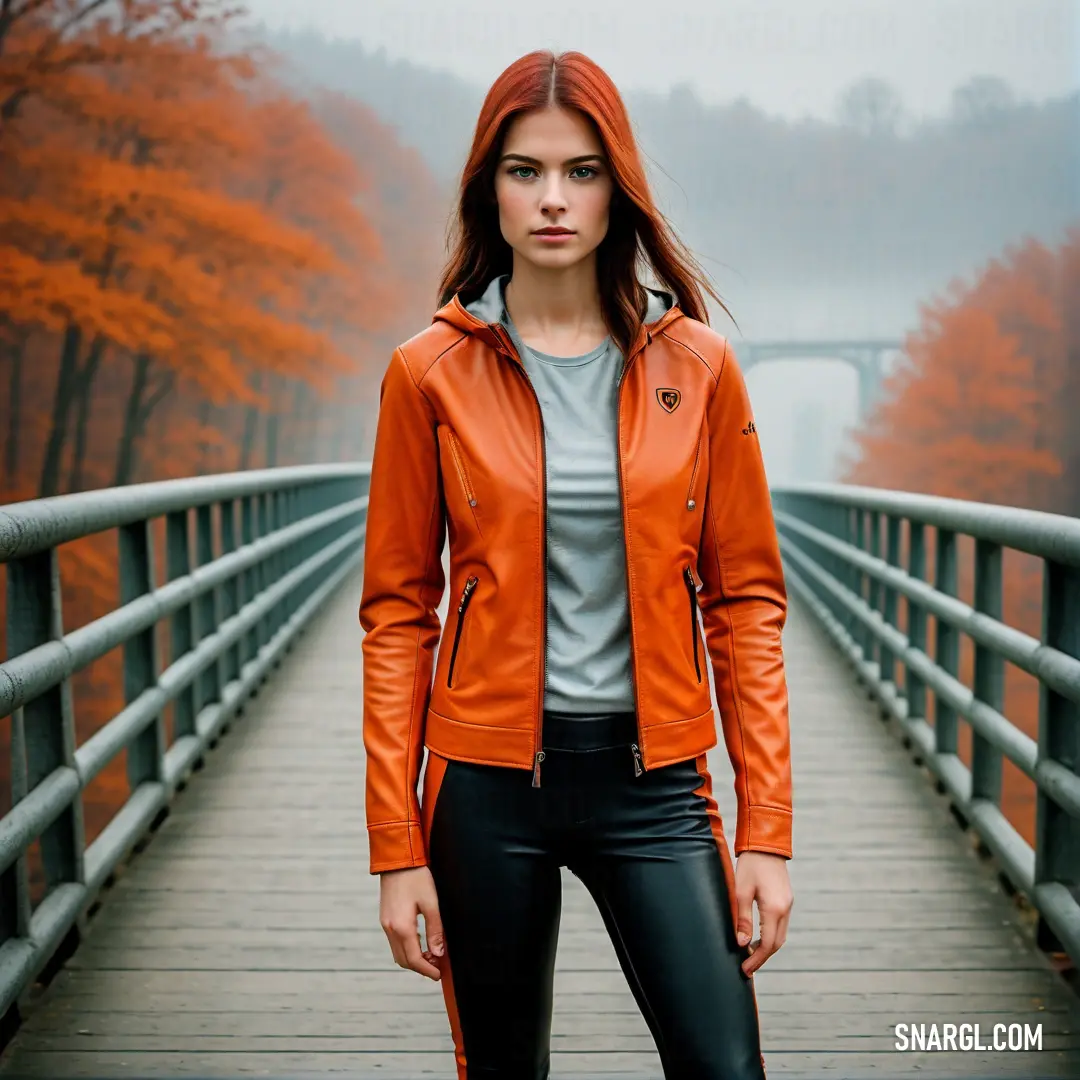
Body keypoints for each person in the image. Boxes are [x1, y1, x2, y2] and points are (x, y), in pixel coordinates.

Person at [359, 48, 794, 1080]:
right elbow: (397, 614)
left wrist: (767, 828)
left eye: (581, 171)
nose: (553, 198)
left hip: (656, 785)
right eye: (525, 171)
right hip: (484, 789)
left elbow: (746, 602)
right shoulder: (428, 374)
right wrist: (396, 849)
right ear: (489, 190)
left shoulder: (697, 366)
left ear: (618, 189)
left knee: (726, 1067)